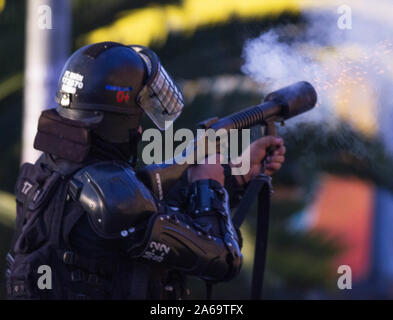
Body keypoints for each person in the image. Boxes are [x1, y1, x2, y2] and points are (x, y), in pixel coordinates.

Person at [5, 42, 285, 300]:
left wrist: (235, 176)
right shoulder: (115, 200)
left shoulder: (48, 169)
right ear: (117, 119)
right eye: (137, 117)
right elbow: (223, 260)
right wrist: (209, 186)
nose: (140, 129)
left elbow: (155, 212)